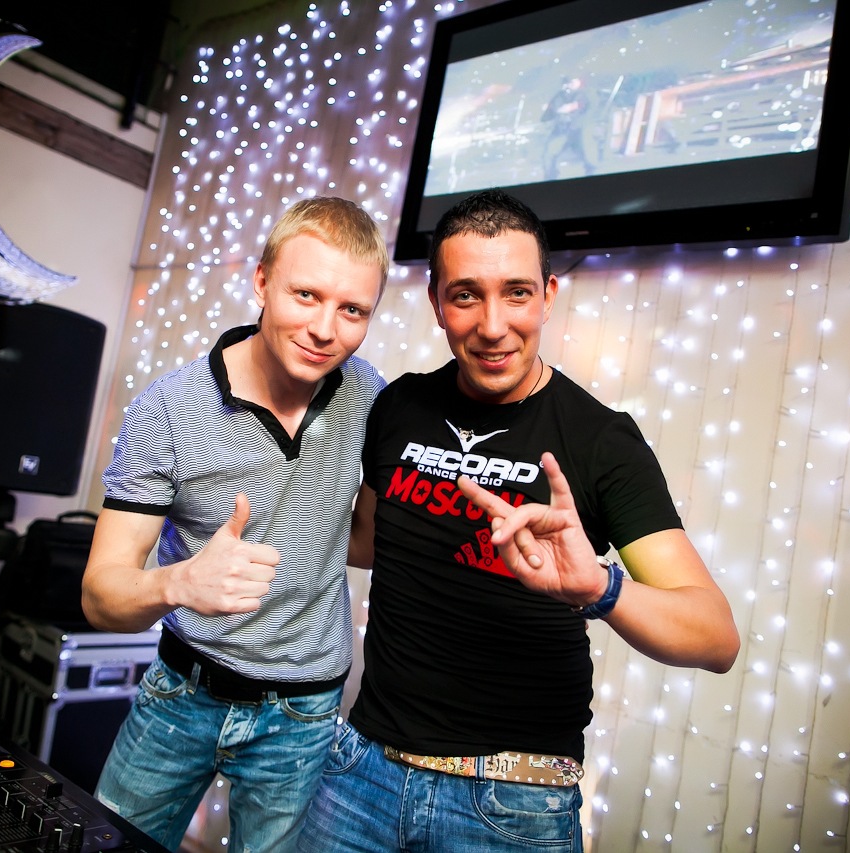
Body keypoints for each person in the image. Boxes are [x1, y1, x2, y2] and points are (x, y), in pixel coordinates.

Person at [299, 189, 739, 851]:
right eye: (466, 295)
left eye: (517, 293)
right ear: (437, 302)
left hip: (512, 803)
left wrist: (600, 589)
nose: (493, 325)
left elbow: (716, 637)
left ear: (548, 296)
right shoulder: (400, 405)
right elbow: (366, 540)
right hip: (361, 773)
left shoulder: (601, 440)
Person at [81, 196, 389, 852]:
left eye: (352, 309)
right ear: (262, 280)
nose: (324, 328)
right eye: (306, 295)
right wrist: (179, 582)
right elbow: (100, 596)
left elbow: (362, 543)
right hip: (181, 692)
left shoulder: (371, 398)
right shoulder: (167, 409)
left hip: (304, 712)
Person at [540, 76, 596, 180]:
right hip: (562, 130)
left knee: (588, 155)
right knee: (549, 153)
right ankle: (550, 177)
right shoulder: (561, 94)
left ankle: (592, 175)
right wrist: (550, 108)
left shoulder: (586, 93)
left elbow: (588, 106)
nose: (569, 84)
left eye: (573, 81)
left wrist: (575, 106)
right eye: (568, 82)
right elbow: (554, 108)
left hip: (580, 130)